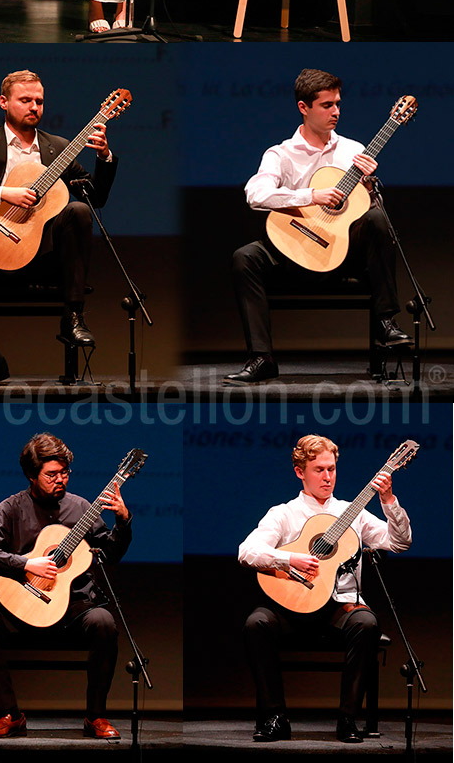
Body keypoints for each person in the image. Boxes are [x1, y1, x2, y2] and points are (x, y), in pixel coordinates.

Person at [0, 69, 117, 385]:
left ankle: (72, 317)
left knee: (78, 209)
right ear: (4, 102)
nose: (34, 107)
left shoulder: (58, 147)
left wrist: (105, 156)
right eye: (25, 100)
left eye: (39, 101)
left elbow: (95, 197)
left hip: (39, 255)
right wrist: (4, 193)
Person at [225, 68, 412, 384]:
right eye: (327, 105)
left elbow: (370, 214)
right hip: (294, 253)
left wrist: (367, 188)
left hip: (341, 253)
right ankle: (262, 358)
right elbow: (255, 194)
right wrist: (311, 195)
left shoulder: (354, 151)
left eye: (338, 103)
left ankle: (386, 322)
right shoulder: (281, 153)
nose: (336, 111)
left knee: (379, 219)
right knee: (244, 257)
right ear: (303, 107)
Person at [239, 434, 412, 743]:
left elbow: (398, 542)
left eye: (331, 469)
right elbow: (247, 552)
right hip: (290, 608)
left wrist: (388, 500)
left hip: (338, 608)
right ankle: (276, 716)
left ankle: (347, 719)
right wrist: (290, 558)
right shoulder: (284, 514)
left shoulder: (353, 513)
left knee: (367, 622)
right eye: (319, 469)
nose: (327, 477)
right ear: (299, 472)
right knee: (256, 623)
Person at [0, 432, 132, 739]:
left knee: (104, 622)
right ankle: (10, 714)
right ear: (31, 475)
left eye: (65, 473)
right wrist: (26, 564)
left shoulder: (82, 507)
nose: (61, 480)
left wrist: (122, 521)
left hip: (71, 608)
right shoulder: (11, 508)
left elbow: (110, 555)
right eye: (52, 475)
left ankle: (95, 716)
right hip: (20, 605)